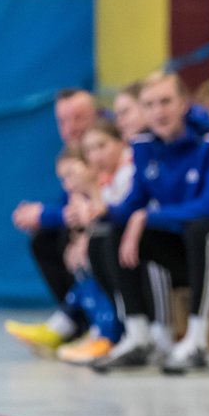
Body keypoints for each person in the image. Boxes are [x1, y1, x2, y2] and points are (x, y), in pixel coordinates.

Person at [82, 73, 209, 373]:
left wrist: (147, 216)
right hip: (187, 247)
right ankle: (139, 337)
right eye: (150, 105)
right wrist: (97, 212)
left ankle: (197, 342)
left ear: (184, 104)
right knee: (110, 233)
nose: (159, 111)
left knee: (202, 230)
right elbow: (133, 204)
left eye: (166, 101)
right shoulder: (146, 146)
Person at [5, 89, 100, 352]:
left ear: (97, 115)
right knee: (44, 240)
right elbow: (69, 207)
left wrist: (45, 215)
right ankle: (76, 323)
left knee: (77, 240)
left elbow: (97, 205)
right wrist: (43, 217)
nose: (71, 128)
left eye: (79, 118)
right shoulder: (71, 154)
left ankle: (90, 325)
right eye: (63, 121)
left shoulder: (103, 150)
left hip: (110, 228)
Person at [53, 120, 135, 364]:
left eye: (101, 146)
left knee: (96, 246)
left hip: (131, 244)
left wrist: (86, 237)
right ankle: (98, 329)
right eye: (90, 150)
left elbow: (117, 214)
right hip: (116, 239)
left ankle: (110, 332)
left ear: (120, 142)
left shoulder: (126, 174)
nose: (96, 156)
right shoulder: (108, 181)